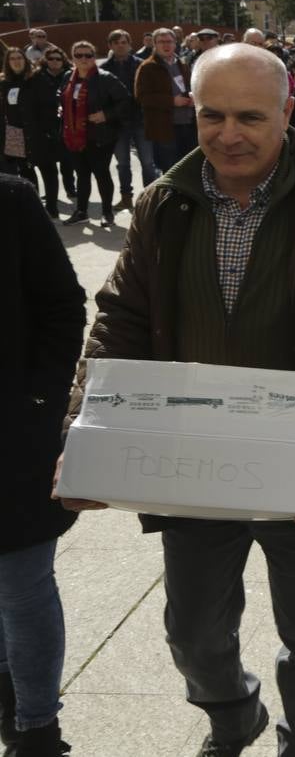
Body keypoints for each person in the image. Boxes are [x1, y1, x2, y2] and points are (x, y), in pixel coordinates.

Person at [58, 43, 295, 757]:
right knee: (193, 633)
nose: (228, 134)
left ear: (287, 112)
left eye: (250, 116)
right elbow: (120, 317)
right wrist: (83, 436)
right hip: (191, 463)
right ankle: (230, 713)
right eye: (212, 114)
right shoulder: (164, 203)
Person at [1, 175, 85, 757]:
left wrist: (38, 406)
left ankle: (36, 728)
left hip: (12, 440)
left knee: (22, 586)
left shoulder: (10, 201)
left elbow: (63, 307)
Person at [60, 40, 130, 228]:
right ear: (72, 57)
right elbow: (63, 97)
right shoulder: (68, 76)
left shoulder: (106, 78)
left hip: (101, 136)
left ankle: (107, 212)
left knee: (101, 174)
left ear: (94, 57)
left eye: (88, 55)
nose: (83, 59)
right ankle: (81, 211)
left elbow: (126, 102)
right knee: (82, 175)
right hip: (74, 136)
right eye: (78, 55)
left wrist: (106, 114)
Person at [100, 29, 157, 209]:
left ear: (130, 44)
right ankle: (126, 198)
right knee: (123, 164)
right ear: (110, 46)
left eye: (123, 42)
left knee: (148, 163)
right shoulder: (103, 69)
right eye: (116, 42)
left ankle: (149, 198)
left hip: (141, 121)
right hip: (118, 124)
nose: (120, 45)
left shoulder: (143, 65)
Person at [134, 28, 197, 173]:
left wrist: (193, 95)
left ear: (175, 43)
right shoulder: (147, 67)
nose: (165, 45)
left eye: (169, 41)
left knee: (189, 169)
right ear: (154, 44)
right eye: (161, 42)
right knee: (171, 171)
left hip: (188, 125)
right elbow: (142, 97)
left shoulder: (182, 63)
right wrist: (171, 101)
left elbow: (188, 86)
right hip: (165, 129)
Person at [29, 47, 79, 214]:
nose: (55, 62)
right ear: (46, 60)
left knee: (67, 162)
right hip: (45, 128)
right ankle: (51, 202)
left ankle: (70, 188)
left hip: (66, 125)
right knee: (48, 167)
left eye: (58, 59)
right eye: (51, 59)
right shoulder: (37, 77)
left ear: (63, 60)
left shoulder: (70, 75)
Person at [1, 48, 38, 189]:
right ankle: (31, 201)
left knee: (45, 168)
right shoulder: (4, 83)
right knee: (24, 170)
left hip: (34, 130)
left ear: (25, 60)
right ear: (7, 63)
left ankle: (49, 206)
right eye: (12, 59)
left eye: (19, 58)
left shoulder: (35, 78)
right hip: (14, 132)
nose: (16, 61)